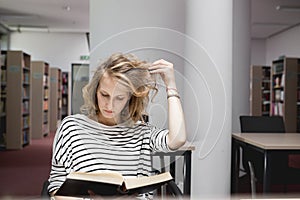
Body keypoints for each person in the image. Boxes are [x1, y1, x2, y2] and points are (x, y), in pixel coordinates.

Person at [47, 53, 186, 199]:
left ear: (129, 98)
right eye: (104, 95)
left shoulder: (141, 132)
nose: (109, 105)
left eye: (119, 98)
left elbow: (177, 140)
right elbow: (56, 185)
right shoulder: (72, 127)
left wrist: (171, 86)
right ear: (95, 91)